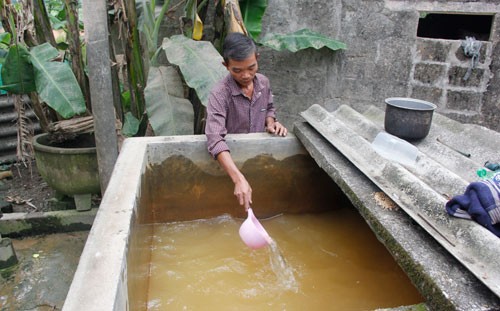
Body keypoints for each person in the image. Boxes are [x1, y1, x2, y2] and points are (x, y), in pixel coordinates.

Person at [205, 32, 288, 211]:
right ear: (225, 65)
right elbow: (214, 138)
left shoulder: (263, 83)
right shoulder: (219, 94)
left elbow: (269, 107)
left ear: (257, 58)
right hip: (230, 167)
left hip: (258, 162)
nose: (245, 75)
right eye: (237, 70)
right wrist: (238, 178)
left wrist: (271, 122)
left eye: (251, 67)